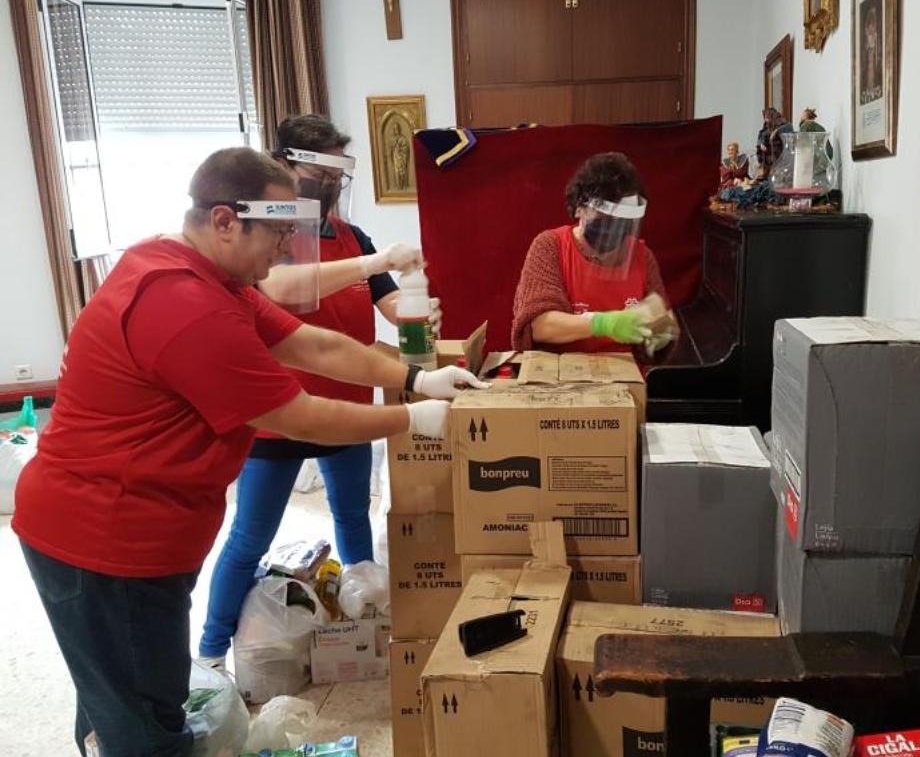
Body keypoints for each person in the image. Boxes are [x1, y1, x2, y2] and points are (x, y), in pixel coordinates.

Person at [12, 147, 486, 757]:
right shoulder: (184, 303)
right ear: (225, 220)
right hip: (103, 539)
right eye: (280, 232)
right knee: (143, 725)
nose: (287, 250)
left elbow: (312, 345)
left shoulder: (213, 276)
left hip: (141, 528)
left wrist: (414, 378)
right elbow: (298, 416)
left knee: (121, 697)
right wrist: (412, 418)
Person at [198, 114, 433, 665]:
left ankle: (362, 620)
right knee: (250, 537)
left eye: (340, 170)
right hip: (278, 410)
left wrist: (417, 310)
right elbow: (282, 289)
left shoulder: (351, 236)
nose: (332, 182)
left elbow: (388, 301)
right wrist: (371, 262)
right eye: (322, 167)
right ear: (285, 165)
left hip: (346, 404)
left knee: (353, 516)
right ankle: (210, 651)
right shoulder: (270, 241)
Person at [511, 152, 671, 355]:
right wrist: (603, 324)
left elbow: (660, 327)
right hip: (562, 373)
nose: (614, 228)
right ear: (580, 208)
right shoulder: (550, 246)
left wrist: (661, 330)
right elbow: (541, 326)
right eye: (605, 217)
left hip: (624, 373)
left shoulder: (643, 257)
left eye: (622, 220)